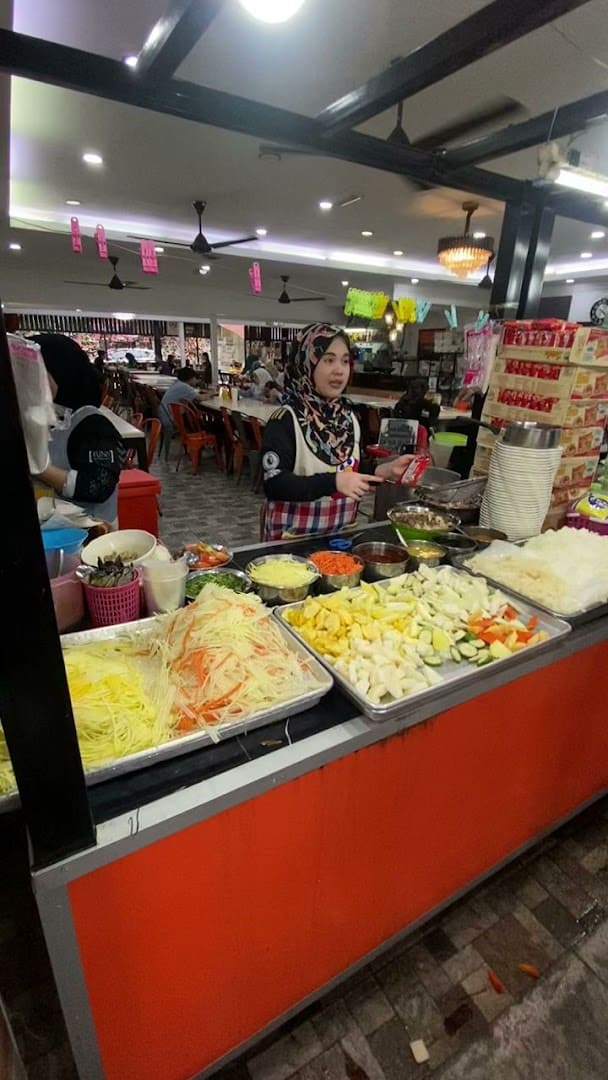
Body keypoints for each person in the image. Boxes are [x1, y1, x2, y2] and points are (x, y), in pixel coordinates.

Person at [261, 323, 412, 541]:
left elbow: (347, 468)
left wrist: (383, 470)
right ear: (306, 363)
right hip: (291, 545)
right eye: (328, 360)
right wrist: (333, 483)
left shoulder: (348, 418)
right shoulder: (286, 419)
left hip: (340, 540)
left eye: (345, 361)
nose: (339, 370)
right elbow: (274, 484)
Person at [30, 334, 125, 524]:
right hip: (51, 526)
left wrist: (38, 467)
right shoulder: (45, 414)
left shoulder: (93, 425)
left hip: (92, 535)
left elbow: (98, 486)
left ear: (62, 372)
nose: (31, 383)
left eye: (38, 374)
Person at [158, 367, 209, 458]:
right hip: (171, 418)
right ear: (190, 378)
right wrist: (213, 393)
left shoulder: (177, 384)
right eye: (195, 378)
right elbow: (201, 398)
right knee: (198, 422)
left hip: (164, 415)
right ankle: (199, 443)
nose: (196, 380)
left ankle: (199, 444)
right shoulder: (184, 387)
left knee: (194, 416)